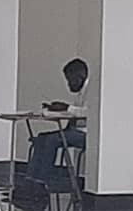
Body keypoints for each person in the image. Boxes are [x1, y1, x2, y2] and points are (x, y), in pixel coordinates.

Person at [24, 58, 88, 186]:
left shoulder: (91, 92)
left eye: (70, 80)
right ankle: (31, 178)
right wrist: (57, 109)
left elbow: (88, 113)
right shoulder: (80, 93)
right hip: (75, 130)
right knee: (41, 138)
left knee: (52, 140)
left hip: (86, 134)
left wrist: (66, 108)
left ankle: (43, 181)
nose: (68, 85)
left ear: (80, 77)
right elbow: (75, 113)